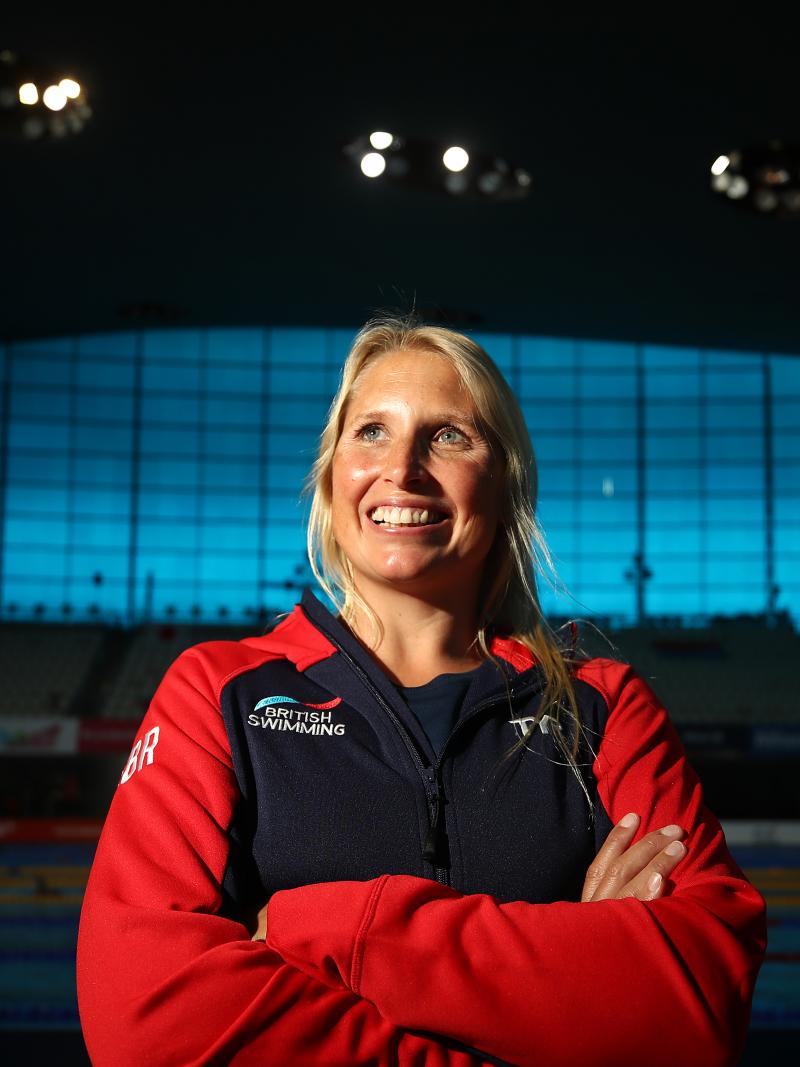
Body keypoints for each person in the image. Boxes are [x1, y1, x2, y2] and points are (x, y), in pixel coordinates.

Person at [77, 316, 766, 1067]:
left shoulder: (601, 705)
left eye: (449, 436)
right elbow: (143, 1014)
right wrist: (573, 961)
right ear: (331, 473)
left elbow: (700, 997)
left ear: (504, 482)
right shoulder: (220, 692)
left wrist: (330, 931)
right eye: (371, 430)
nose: (401, 467)